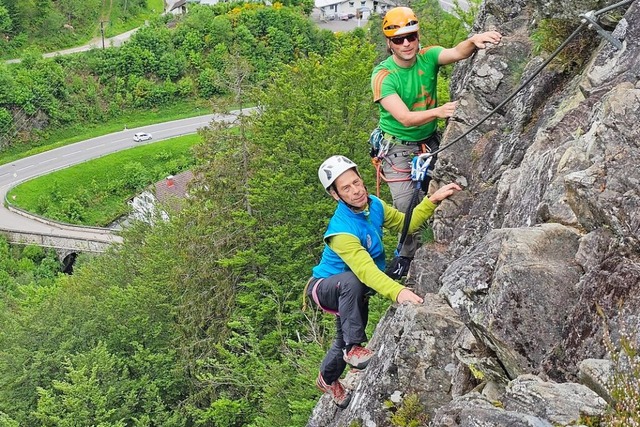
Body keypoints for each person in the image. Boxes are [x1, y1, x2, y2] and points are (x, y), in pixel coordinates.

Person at [306, 155, 461, 408]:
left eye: (356, 182)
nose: (356, 190)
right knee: (352, 287)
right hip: (325, 287)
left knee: (341, 339)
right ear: (335, 195)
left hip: (352, 290)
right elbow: (366, 271)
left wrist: (432, 199)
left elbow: (404, 224)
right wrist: (398, 292)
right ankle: (353, 349)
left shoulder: (373, 205)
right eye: (346, 188)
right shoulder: (341, 230)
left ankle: (327, 378)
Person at [371, 6, 502, 263]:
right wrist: (439, 111)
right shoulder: (383, 76)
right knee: (407, 207)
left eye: (412, 36)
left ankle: (437, 242)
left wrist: (473, 41)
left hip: (429, 142)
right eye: (399, 39)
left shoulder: (427, 56)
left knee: (443, 193)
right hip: (398, 147)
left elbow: (454, 53)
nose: (407, 43)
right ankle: (408, 259)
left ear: (418, 37)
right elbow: (404, 118)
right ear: (390, 44)